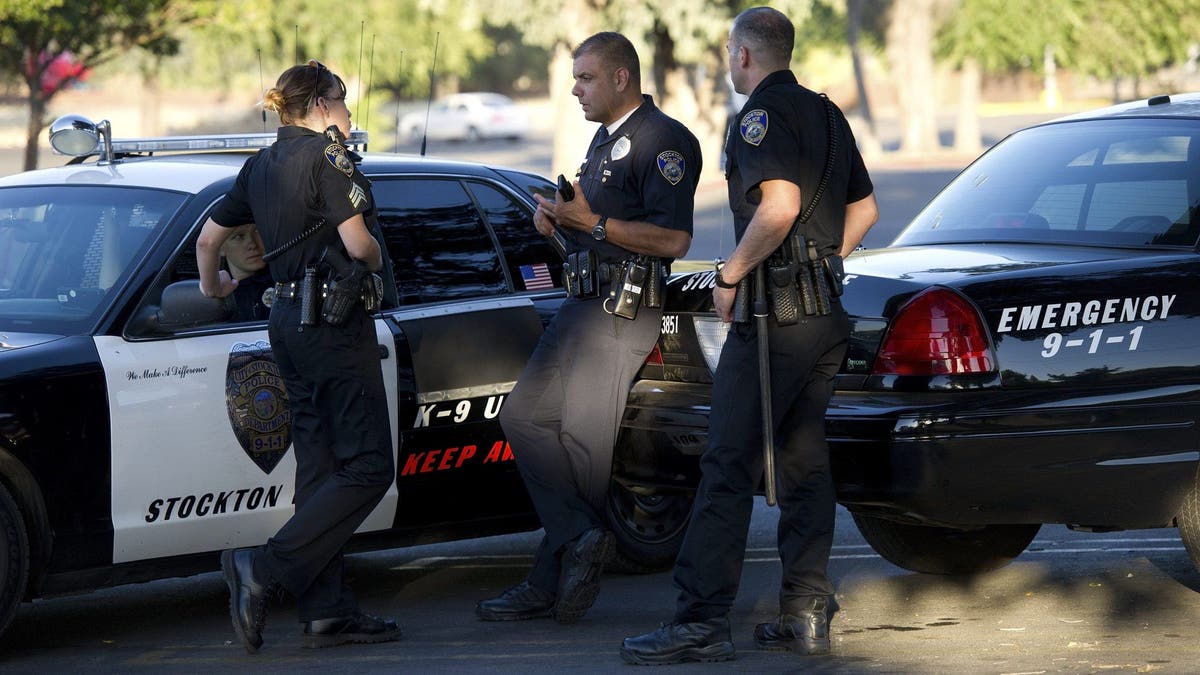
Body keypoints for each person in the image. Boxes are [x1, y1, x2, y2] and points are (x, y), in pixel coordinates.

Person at [621, 6, 878, 665]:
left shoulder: (760, 115)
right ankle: (805, 611)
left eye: (727, 53)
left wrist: (732, 272)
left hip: (774, 321)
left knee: (727, 464)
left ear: (743, 54)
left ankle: (700, 620)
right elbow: (865, 209)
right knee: (803, 461)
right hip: (822, 315)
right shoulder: (827, 113)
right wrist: (821, 265)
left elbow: (780, 205)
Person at [476, 32, 701, 624]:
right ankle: (579, 539)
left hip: (621, 310)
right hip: (581, 304)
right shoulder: (605, 139)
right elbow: (593, 222)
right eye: (576, 77)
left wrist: (593, 223)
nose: (575, 89)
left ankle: (548, 583)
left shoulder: (664, 140)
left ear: (621, 78)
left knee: (582, 447)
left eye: (585, 77)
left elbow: (675, 240)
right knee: (523, 418)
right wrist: (559, 220)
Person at [196, 60, 399, 653]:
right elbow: (358, 244)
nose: (348, 111)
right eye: (342, 99)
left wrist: (214, 287)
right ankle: (263, 567)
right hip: (333, 324)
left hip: (285, 321)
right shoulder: (329, 156)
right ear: (319, 105)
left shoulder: (258, 164)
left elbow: (209, 239)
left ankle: (326, 611)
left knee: (319, 466)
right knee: (369, 466)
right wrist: (377, 259)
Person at [219, 223, 273, 321]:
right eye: (239, 236)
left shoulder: (286, 282)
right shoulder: (218, 292)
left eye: (258, 231)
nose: (253, 245)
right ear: (220, 247)